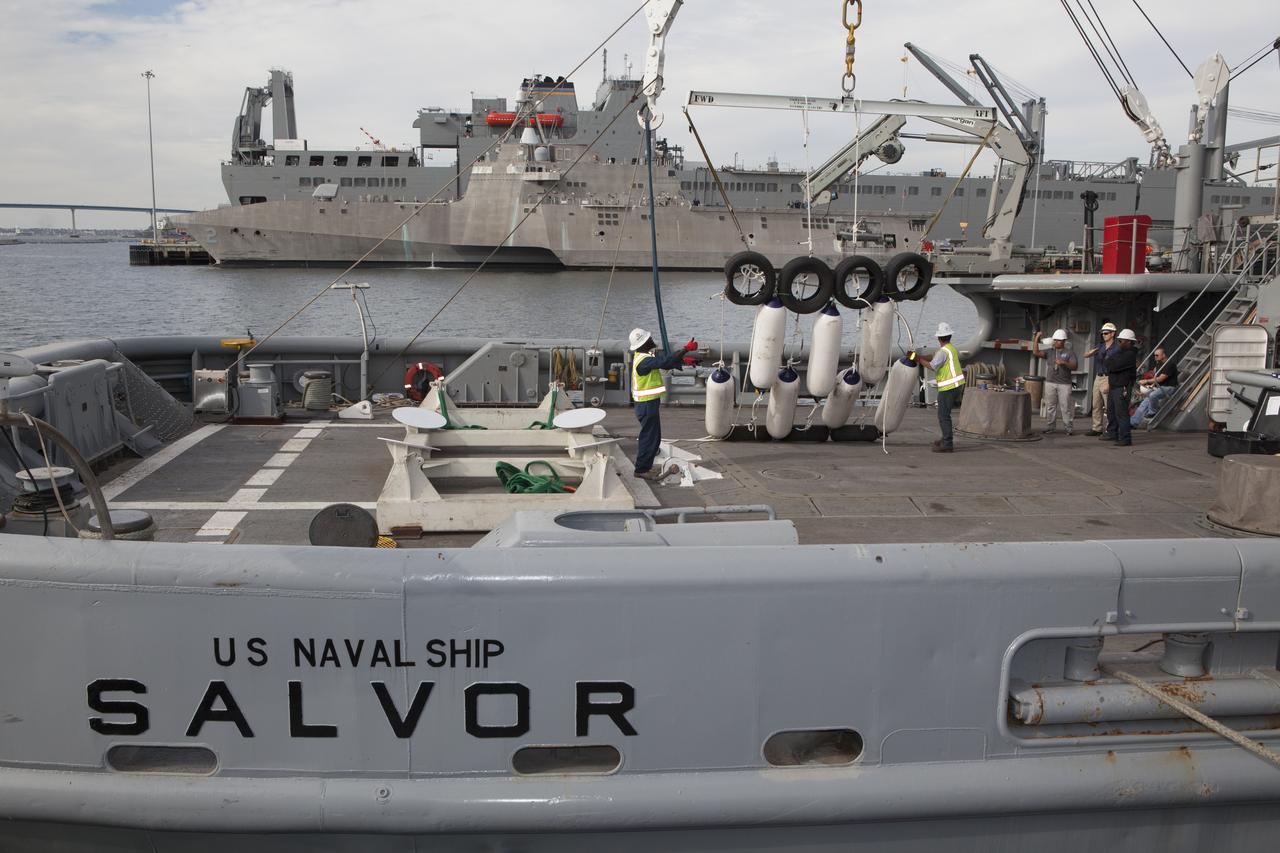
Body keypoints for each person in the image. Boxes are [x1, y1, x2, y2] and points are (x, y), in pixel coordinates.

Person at [629, 328, 698, 480]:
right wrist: (685, 349)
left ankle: (644, 466)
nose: (651, 339)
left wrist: (682, 361)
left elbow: (664, 364)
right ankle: (641, 469)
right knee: (649, 437)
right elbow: (664, 361)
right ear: (643, 343)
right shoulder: (644, 360)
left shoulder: (644, 356)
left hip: (648, 404)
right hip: (646, 405)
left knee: (653, 436)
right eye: (648, 338)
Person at [909, 321, 966, 453]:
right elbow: (934, 357)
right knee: (945, 415)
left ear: (939, 338)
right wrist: (921, 357)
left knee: (943, 416)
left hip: (948, 388)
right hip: (956, 386)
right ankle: (945, 438)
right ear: (949, 336)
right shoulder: (949, 349)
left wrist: (917, 359)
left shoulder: (943, 352)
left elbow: (933, 366)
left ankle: (947, 443)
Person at [1031, 328, 1078, 435]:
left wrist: (1063, 362)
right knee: (1050, 406)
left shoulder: (1069, 353)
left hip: (1064, 384)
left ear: (1064, 341)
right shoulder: (1050, 352)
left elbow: (1074, 366)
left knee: (1065, 407)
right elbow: (1036, 352)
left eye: (1059, 340)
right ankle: (1050, 427)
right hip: (1050, 382)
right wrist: (1036, 338)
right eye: (1055, 340)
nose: (1056, 342)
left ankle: (1068, 428)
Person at [1101, 328, 1139, 446]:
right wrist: (1110, 362)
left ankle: (1125, 438)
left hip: (1122, 386)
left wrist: (1110, 362)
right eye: (1120, 341)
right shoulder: (1120, 352)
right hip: (1114, 385)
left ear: (1129, 342)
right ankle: (1112, 432)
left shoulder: (1130, 354)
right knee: (1111, 411)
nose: (1120, 343)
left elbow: (1113, 366)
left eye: (1122, 341)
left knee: (1121, 413)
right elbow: (1107, 362)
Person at [1083, 322, 1118, 435]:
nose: (1104, 335)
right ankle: (1096, 428)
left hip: (1108, 377)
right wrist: (1091, 352)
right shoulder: (1100, 346)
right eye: (1103, 333)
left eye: (1106, 333)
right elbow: (1085, 355)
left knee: (1109, 405)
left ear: (1113, 334)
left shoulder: (1116, 348)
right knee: (1096, 404)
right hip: (1098, 377)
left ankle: (1110, 429)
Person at [1130, 346, 1179, 427]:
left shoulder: (1170, 364)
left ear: (1163, 355)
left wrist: (1146, 381)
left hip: (1169, 388)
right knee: (1143, 404)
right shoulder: (1159, 364)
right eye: (1154, 355)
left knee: (1153, 395)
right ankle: (1133, 423)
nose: (1155, 357)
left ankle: (1152, 412)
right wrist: (1150, 386)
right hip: (1159, 387)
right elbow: (1156, 378)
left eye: (1157, 355)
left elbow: (1160, 379)